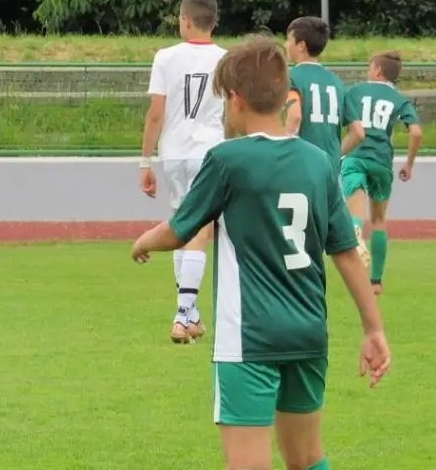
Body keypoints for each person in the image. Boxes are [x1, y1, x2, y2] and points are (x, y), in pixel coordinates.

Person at [131, 36, 391, 470]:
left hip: (248, 339)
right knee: (307, 460)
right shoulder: (316, 162)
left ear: (234, 101)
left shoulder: (228, 159)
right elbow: (345, 251)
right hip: (307, 334)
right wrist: (373, 328)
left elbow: (179, 230)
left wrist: (143, 242)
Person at [139, 0, 226, 344]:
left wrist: (145, 161)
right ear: (213, 23)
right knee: (201, 231)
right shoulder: (226, 58)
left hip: (173, 153)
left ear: (186, 21)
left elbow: (156, 112)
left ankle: (191, 316)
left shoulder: (165, 57)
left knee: (181, 227)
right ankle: (182, 311)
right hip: (211, 152)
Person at [283, 16, 367, 260]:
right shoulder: (336, 82)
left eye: (288, 39)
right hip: (328, 168)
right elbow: (358, 132)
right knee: (318, 234)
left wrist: (283, 149)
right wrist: (336, 153)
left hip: (299, 165)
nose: (285, 45)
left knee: (294, 237)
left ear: (300, 45)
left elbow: (294, 117)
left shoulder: (292, 78)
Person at [340, 51, 423, 295]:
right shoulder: (399, 99)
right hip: (381, 161)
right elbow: (416, 132)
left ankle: (355, 232)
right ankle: (375, 281)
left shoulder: (354, 91)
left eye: (369, 67)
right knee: (378, 221)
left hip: (356, 155)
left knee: (355, 208)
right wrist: (409, 163)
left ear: (377, 71)